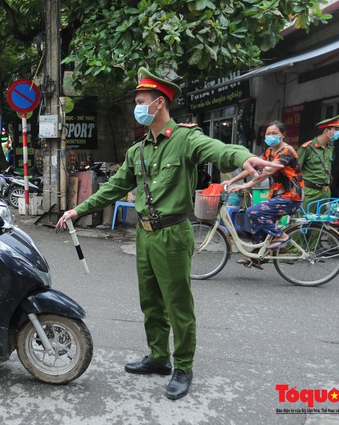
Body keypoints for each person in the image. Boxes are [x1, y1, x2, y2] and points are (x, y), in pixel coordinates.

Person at [56, 68, 279, 400]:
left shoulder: (186, 139)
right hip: (145, 236)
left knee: (178, 305)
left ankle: (183, 366)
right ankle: (159, 357)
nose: (138, 107)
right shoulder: (139, 150)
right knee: (151, 303)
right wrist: (78, 210)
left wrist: (245, 157)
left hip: (173, 233)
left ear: (159, 103)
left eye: (141, 101)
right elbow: (116, 187)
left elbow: (217, 149)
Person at [225, 121, 304, 268]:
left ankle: (282, 236)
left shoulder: (287, 151)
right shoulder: (269, 152)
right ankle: (257, 258)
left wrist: (245, 185)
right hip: (277, 196)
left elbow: (266, 172)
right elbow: (252, 167)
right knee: (257, 221)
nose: (271, 136)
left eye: (274, 133)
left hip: (291, 196)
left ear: (283, 135)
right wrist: (232, 181)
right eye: (268, 133)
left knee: (253, 211)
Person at [297, 114, 339, 215]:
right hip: (310, 192)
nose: (337, 132)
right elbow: (295, 170)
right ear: (326, 131)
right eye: (335, 129)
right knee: (302, 223)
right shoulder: (307, 147)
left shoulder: (330, 149)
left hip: (325, 192)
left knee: (321, 223)